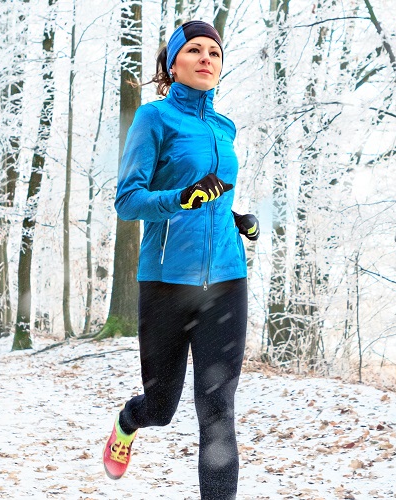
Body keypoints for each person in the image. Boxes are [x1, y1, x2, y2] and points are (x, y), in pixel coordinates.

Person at [102, 19, 258, 500]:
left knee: (217, 411)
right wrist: (182, 199)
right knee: (163, 406)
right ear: (174, 63)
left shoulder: (224, 125)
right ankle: (130, 419)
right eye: (194, 49)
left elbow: (204, 197)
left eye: (214, 51)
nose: (207, 58)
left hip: (227, 281)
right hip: (168, 281)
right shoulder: (154, 119)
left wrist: (233, 218)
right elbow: (128, 200)